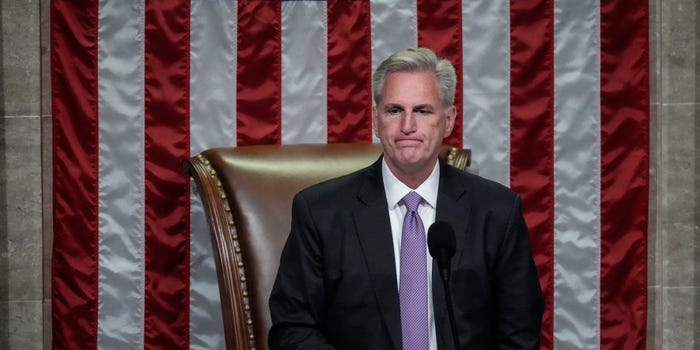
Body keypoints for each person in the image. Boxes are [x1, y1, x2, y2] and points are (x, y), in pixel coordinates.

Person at [268, 47, 543, 349]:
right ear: (376, 119)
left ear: (449, 120)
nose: (407, 125)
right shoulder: (320, 212)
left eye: (423, 111)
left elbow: (519, 335)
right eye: (394, 110)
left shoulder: (497, 212)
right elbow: (292, 328)